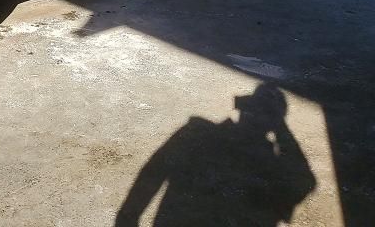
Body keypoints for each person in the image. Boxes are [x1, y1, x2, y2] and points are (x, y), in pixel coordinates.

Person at [116, 84, 316, 227]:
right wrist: (281, 128)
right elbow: (304, 182)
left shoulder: (196, 132)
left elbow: (153, 171)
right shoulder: (268, 164)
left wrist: (127, 218)